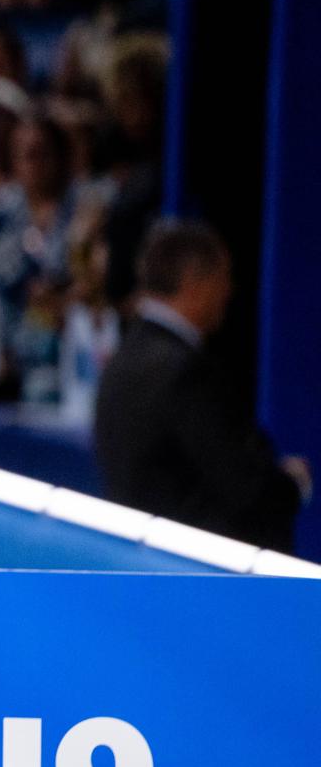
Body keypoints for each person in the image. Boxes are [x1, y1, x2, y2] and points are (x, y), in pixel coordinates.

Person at [94, 220, 309, 551]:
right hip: (203, 576)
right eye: (223, 277)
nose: (229, 290)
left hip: (144, 561)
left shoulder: (125, 357)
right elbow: (245, 486)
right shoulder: (185, 372)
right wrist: (293, 484)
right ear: (195, 284)